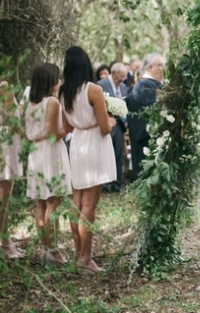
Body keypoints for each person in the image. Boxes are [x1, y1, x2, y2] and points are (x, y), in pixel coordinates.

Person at [59, 46, 116, 273]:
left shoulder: (63, 92)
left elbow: (66, 127)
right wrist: (110, 121)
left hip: (77, 145)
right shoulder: (93, 90)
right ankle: (86, 258)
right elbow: (104, 128)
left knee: (78, 202)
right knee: (89, 205)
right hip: (93, 145)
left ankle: (78, 254)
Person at [25, 63, 72, 265]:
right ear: (50, 81)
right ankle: (53, 251)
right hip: (50, 153)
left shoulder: (30, 103)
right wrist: (69, 127)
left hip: (35, 152)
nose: (59, 81)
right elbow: (54, 134)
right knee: (53, 202)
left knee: (40, 203)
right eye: (57, 78)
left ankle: (45, 249)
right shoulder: (51, 102)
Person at [125, 53, 165, 181]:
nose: (163, 69)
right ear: (150, 67)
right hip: (146, 140)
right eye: (161, 65)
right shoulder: (145, 85)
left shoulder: (143, 85)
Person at [0, 80, 24, 260]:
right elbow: (12, 121)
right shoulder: (4, 87)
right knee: (3, 198)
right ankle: (5, 242)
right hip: (4, 145)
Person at [97, 62, 128, 192]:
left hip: (120, 125)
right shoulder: (100, 85)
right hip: (106, 123)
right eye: (121, 75)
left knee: (118, 154)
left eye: (124, 76)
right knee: (105, 153)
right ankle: (104, 184)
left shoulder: (123, 87)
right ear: (113, 72)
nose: (122, 79)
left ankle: (117, 184)